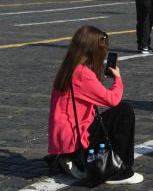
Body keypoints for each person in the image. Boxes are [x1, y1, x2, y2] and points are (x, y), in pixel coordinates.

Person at [48, 25, 143, 185]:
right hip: (76, 136)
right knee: (124, 111)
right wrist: (117, 79)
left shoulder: (67, 68)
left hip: (63, 137)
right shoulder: (83, 74)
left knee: (111, 117)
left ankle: (72, 158)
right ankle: (117, 171)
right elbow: (112, 99)